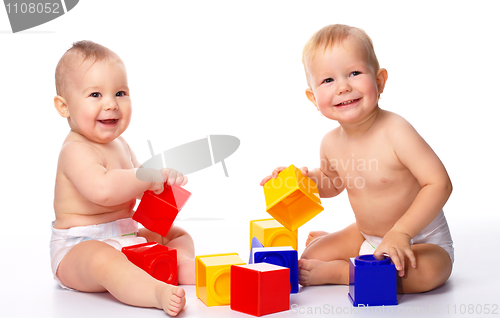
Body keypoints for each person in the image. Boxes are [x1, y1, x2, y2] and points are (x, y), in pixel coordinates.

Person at [260, 25, 453, 293]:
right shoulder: (330, 142)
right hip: (367, 234)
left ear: (379, 81)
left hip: (419, 239)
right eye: (328, 81)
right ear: (313, 98)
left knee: (427, 273)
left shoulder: (397, 131)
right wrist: (303, 180)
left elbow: (439, 184)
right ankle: (360, 255)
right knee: (309, 257)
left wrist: (402, 233)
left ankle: (345, 272)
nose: (343, 87)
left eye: (354, 73)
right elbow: (331, 183)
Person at [51, 40, 194, 316]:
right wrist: (144, 177)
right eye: (95, 95)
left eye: (120, 93)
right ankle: (155, 291)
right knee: (104, 260)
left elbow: (140, 187)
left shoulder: (121, 144)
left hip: (125, 236)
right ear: (64, 106)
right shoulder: (74, 150)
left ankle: (180, 265)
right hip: (78, 248)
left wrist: (162, 181)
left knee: (177, 234)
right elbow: (103, 189)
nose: (111, 104)